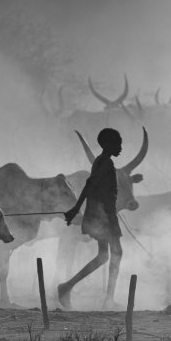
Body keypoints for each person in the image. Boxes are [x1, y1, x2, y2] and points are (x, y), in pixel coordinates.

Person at [58, 127, 124, 310]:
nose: (120, 148)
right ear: (107, 145)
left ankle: (67, 287)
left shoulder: (102, 162)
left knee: (105, 256)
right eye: (117, 144)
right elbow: (90, 185)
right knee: (116, 253)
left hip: (103, 214)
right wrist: (75, 208)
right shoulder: (104, 163)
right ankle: (107, 299)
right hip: (102, 216)